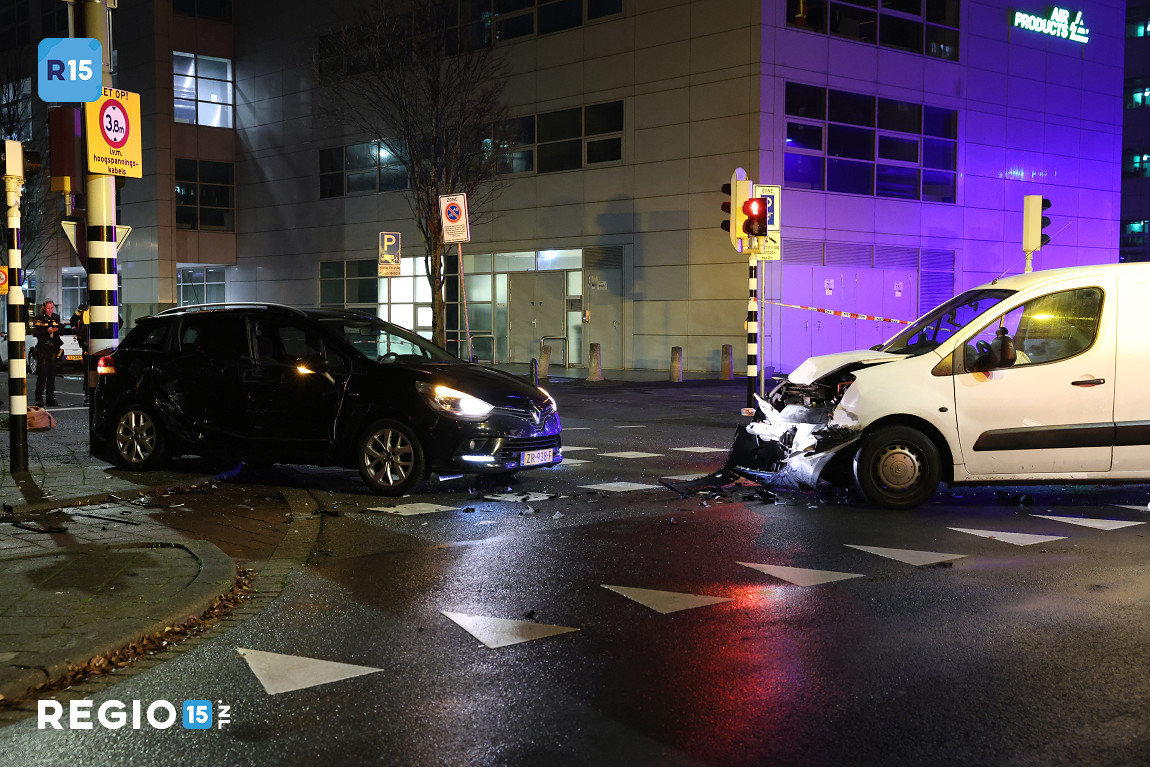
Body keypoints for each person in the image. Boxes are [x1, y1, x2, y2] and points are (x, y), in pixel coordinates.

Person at [31, 299, 63, 407]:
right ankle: (39, 398)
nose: (50, 310)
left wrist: (58, 330)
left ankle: (50, 397)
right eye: (48, 308)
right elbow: (36, 333)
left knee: (52, 373)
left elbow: (60, 329)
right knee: (43, 373)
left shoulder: (55, 317)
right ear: (44, 308)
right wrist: (47, 331)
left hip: (53, 347)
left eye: (52, 308)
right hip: (43, 347)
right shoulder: (39, 318)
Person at [71, 303, 90, 406]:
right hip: (87, 346)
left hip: (97, 345)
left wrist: (77, 331)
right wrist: (76, 330)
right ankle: (88, 395)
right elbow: (73, 320)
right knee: (88, 373)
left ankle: (89, 395)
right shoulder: (83, 308)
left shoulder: (103, 308)